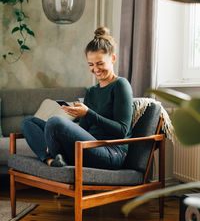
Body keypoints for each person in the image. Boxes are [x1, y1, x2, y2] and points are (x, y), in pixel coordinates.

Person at [21, 27, 133, 170]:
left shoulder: (121, 85)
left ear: (112, 59)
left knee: (55, 122)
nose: (96, 69)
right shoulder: (92, 91)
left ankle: (55, 156)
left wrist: (88, 113)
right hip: (87, 147)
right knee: (29, 122)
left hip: (112, 153)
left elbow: (122, 130)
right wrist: (73, 121)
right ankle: (51, 160)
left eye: (100, 63)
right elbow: (85, 129)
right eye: (91, 65)